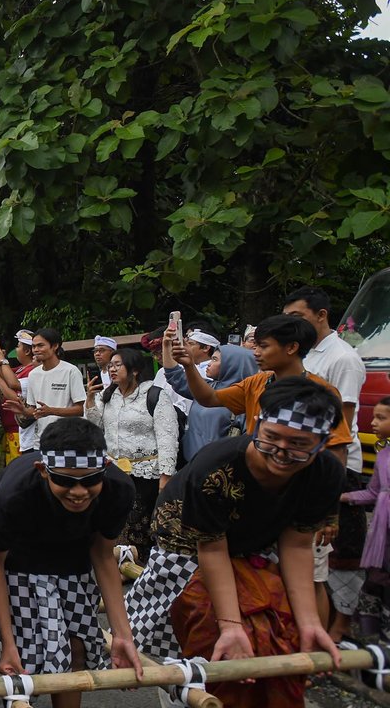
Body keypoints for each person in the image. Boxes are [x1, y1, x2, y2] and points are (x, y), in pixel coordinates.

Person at [125, 377, 344, 708]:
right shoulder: (217, 466)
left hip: (257, 544)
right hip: (187, 545)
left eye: (299, 444)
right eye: (271, 438)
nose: (281, 452)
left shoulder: (326, 473)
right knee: (204, 629)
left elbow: (297, 545)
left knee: (277, 631)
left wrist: (310, 622)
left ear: (323, 442)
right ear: (256, 424)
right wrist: (230, 626)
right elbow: (212, 548)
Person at [0, 417, 142, 708]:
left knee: (76, 648)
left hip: (75, 557)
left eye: (90, 481)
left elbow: (103, 555)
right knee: (25, 658)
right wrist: (8, 643)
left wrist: (123, 634)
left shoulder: (119, 488)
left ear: (105, 468)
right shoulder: (15, 494)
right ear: (43, 470)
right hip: (20, 560)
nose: (79, 492)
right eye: (66, 481)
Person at [283, 286, 369, 641]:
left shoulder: (342, 358)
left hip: (334, 463)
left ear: (322, 315)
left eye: (297, 317)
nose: (291, 325)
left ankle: (338, 628)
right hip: (300, 461)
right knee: (308, 554)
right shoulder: (301, 353)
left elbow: (342, 425)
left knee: (336, 550)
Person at [173, 314, 354, 464]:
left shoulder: (321, 392)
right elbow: (209, 398)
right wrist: (189, 366)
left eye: (264, 346)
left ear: (292, 347)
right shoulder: (256, 383)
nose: (256, 352)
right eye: (256, 345)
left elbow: (336, 450)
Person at [84, 348, 179, 562]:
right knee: (114, 521)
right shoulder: (108, 396)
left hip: (146, 474)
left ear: (134, 370)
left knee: (140, 525)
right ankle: (118, 564)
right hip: (114, 472)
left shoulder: (154, 395)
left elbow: (167, 437)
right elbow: (94, 427)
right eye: (111, 365)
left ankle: (140, 567)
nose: (112, 369)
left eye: (118, 365)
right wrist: (90, 399)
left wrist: (166, 476)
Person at [162, 343, 259, 460]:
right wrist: (166, 345)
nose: (209, 363)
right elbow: (175, 376)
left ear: (233, 364)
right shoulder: (207, 388)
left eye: (215, 359)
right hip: (190, 463)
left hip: (219, 466)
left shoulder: (242, 398)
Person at [344, 397, 390, 640]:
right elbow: (373, 492)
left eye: (381, 418)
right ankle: (377, 642)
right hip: (383, 538)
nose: (373, 423)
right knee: (378, 581)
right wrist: (343, 497)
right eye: (374, 417)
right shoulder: (384, 455)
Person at [7, 328, 87, 452]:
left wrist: (51, 411)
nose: (36, 350)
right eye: (34, 346)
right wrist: (23, 411)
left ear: (55, 346)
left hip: (67, 442)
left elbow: (80, 409)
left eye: (40, 345)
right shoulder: (33, 374)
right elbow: (34, 411)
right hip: (41, 443)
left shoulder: (70, 371)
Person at [0, 331, 40, 463]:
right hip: (19, 431)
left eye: (18, 346)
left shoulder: (32, 371)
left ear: (27, 351)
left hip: (26, 432)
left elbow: (13, 388)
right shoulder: (23, 368)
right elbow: (2, 372)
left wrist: (0, 377)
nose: (16, 349)